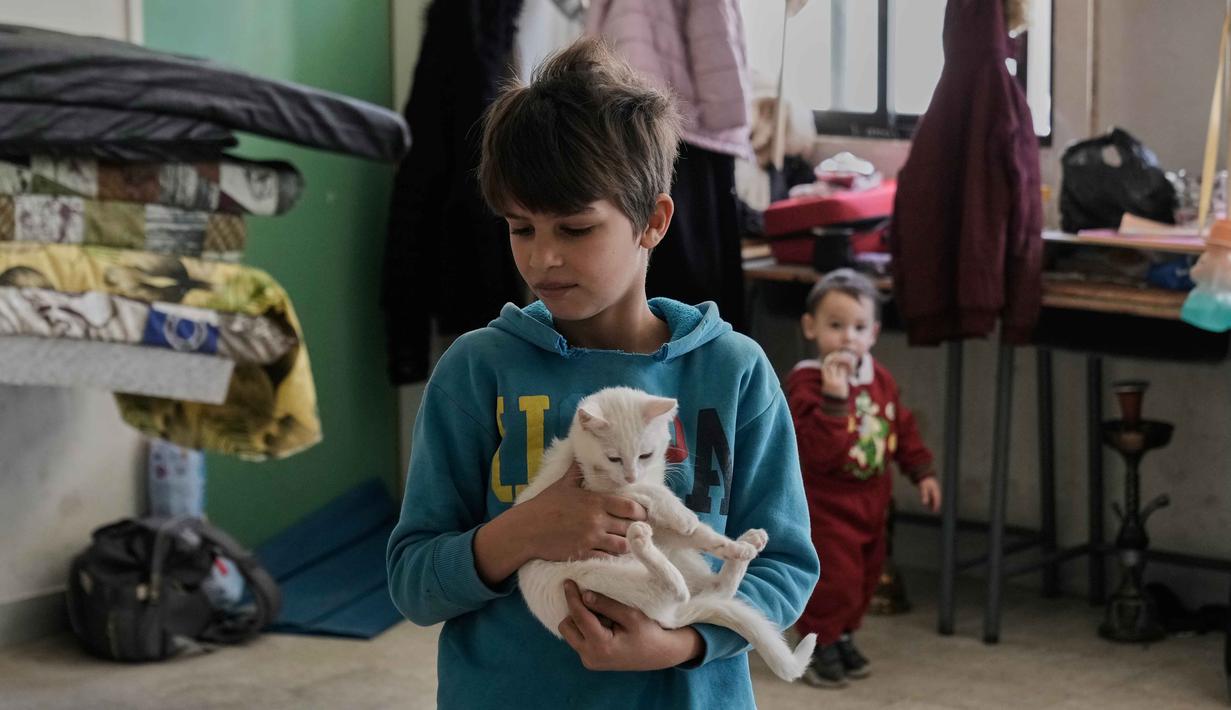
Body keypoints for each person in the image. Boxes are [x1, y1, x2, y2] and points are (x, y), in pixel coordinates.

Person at [385, 38, 819, 709]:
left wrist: (680, 642)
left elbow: (784, 562)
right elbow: (413, 582)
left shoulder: (732, 372)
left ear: (653, 221)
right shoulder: (477, 370)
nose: (543, 257)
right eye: (520, 228)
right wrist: (522, 532)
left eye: (575, 228)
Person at [785, 268, 941, 689]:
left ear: (873, 333)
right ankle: (817, 645)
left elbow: (900, 427)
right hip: (826, 508)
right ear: (811, 327)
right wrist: (834, 401)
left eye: (858, 327)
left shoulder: (879, 379)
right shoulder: (806, 385)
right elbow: (816, 452)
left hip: (873, 504)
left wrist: (921, 471)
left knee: (865, 579)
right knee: (833, 579)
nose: (847, 338)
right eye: (835, 326)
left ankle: (844, 634)